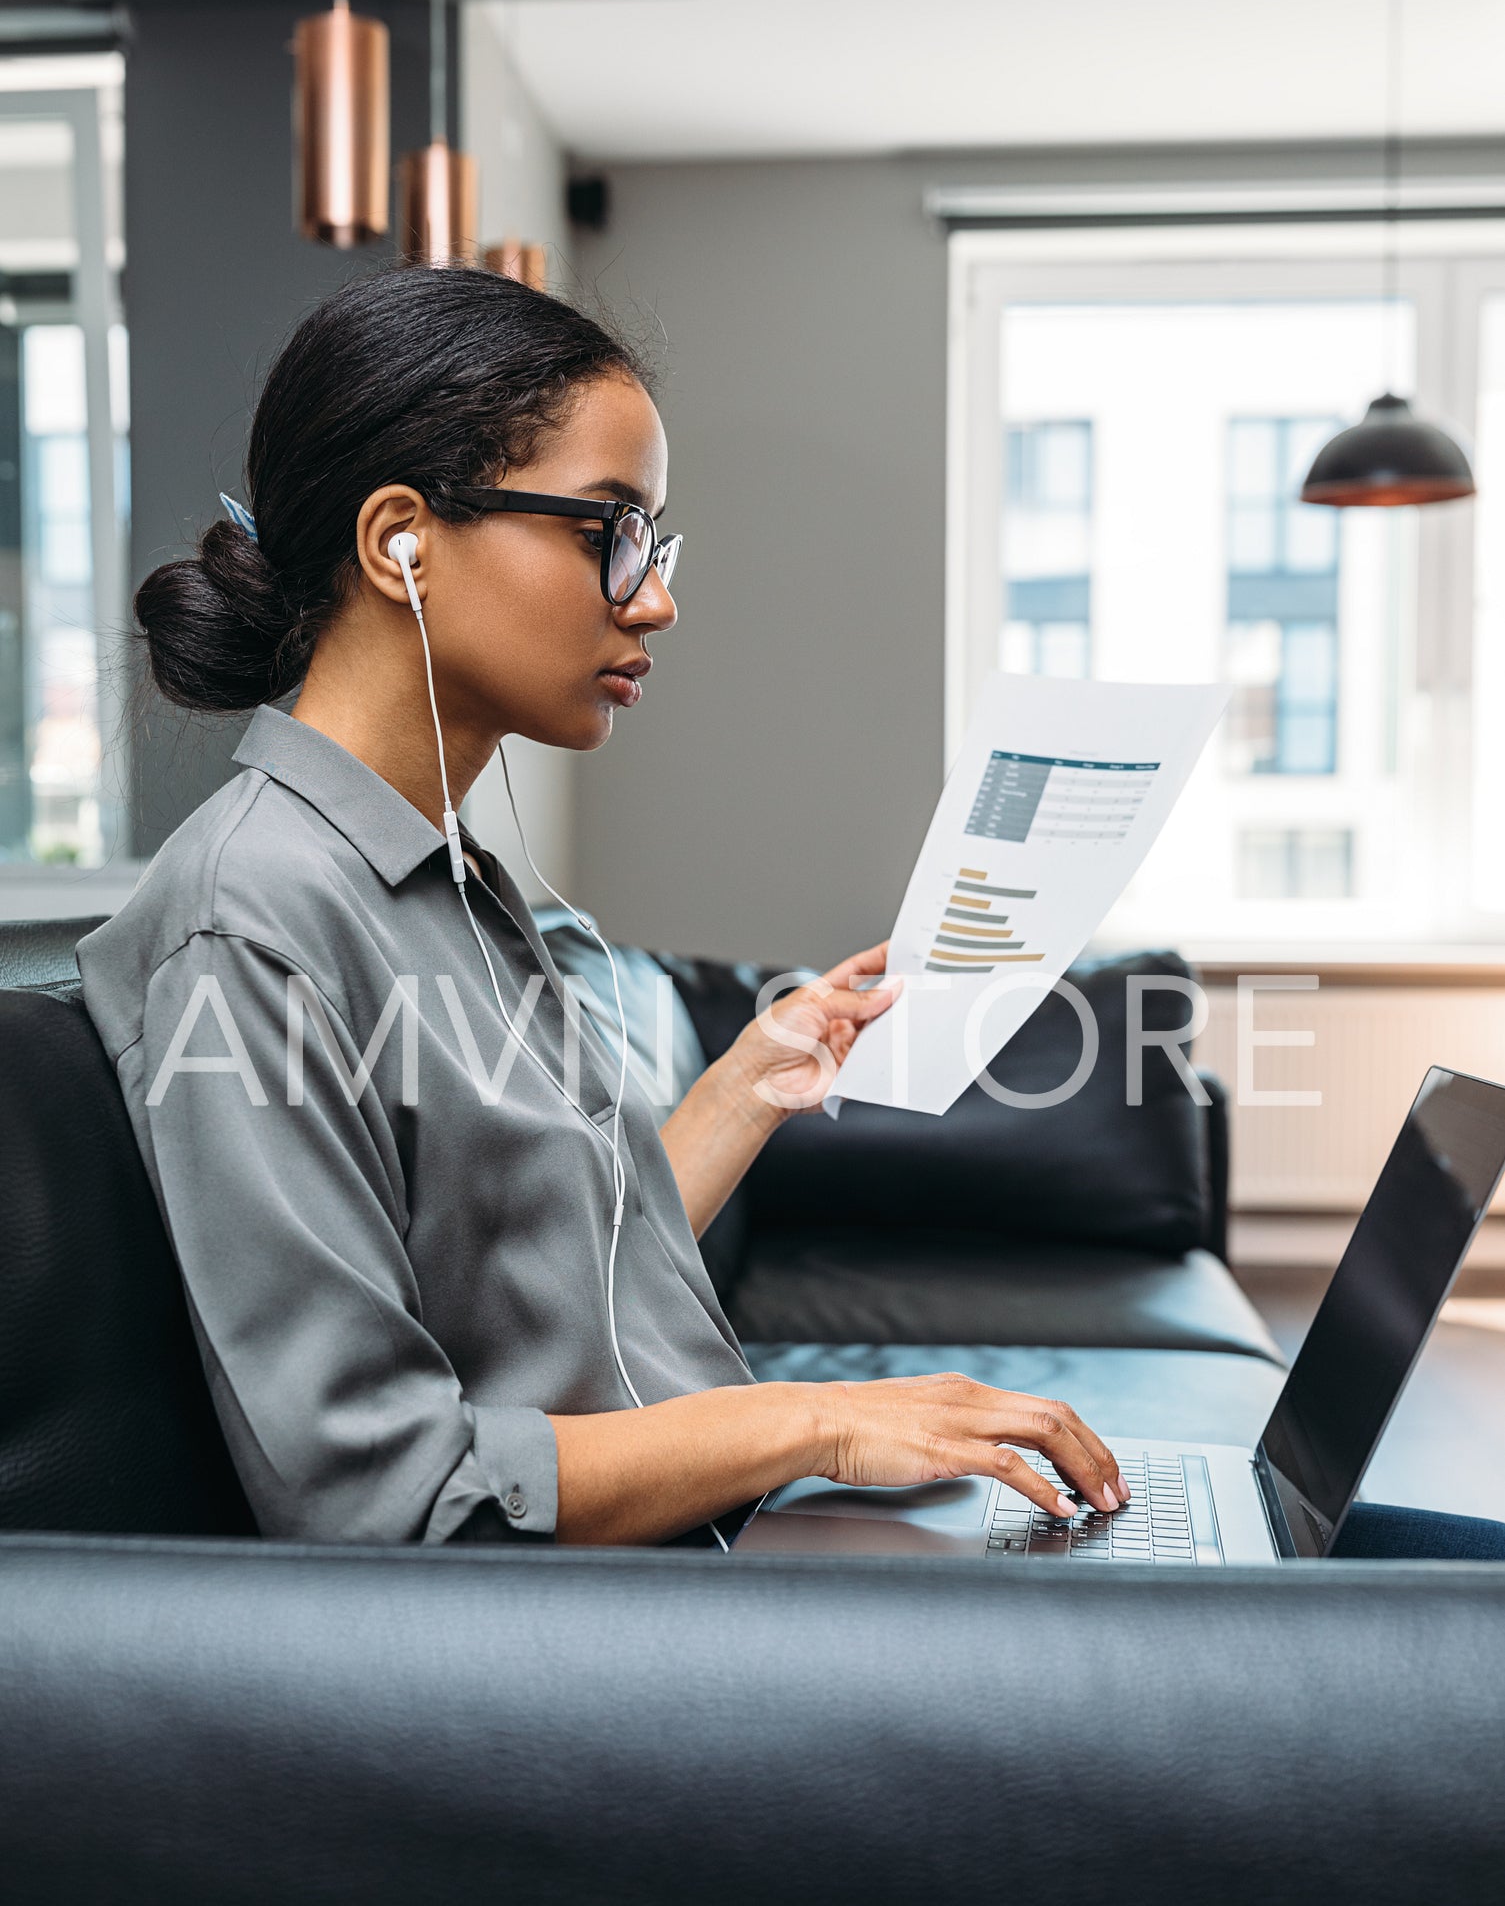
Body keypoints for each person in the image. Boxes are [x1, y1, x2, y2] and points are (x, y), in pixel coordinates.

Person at [80, 265, 1503, 1561]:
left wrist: (753, 1081)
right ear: (403, 540)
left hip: (711, 1562)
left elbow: (561, 1262)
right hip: (592, 1654)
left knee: (1416, 1559)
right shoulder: (249, 919)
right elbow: (377, 1492)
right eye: (611, 534)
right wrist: (815, 1424)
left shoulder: (446, 881)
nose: (656, 601)